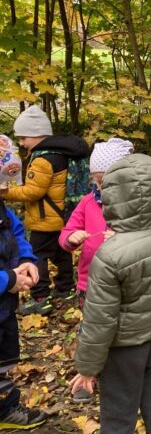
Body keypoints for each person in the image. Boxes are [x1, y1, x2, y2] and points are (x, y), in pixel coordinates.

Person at [70, 154, 151, 434]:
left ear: (113, 198)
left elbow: (100, 319)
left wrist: (87, 368)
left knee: (118, 414)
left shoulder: (109, 255)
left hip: (124, 349)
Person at [59, 137, 133, 403]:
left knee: (119, 328)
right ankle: (87, 376)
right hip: (88, 283)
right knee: (90, 329)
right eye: (96, 180)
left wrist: (122, 238)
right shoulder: (88, 202)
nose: (99, 185)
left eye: (105, 180)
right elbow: (66, 233)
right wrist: (72, 237)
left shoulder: (134, 205)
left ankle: (119, 373)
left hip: (122, 282)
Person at [0, 105, 90, 315]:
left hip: (44, 219)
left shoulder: (42, 159)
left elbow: (33, 192)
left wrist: (5, 193)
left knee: (36, 254)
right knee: (61, 253)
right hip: (62, 215)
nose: (22, 143)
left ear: (36, 135)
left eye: (24, 138)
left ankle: (41, 296)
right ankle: (65, 288)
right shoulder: (62, 153)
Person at [0, 199, 45, 431]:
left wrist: (26, 260)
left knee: (4, 361)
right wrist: (8, 279)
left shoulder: (2, 208)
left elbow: (16, 231)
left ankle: (5, 409)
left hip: (4, 308)